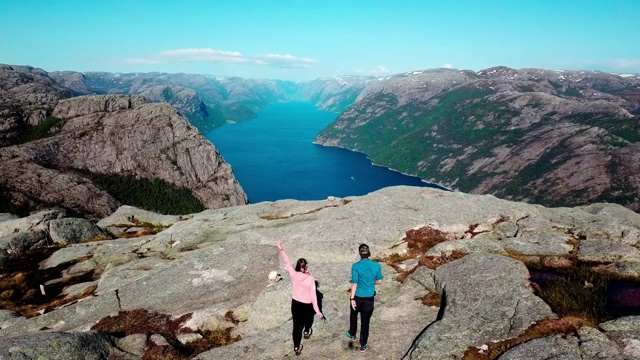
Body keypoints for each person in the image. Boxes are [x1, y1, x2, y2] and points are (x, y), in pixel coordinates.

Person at [277, 241, 323, 356]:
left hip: (296, 303)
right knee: (308, 319)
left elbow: (287, 262)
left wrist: (281, 249)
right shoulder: (311, 279)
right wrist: (317, 311)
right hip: (307, 304)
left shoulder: (293, 274)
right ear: (306, 266)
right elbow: (313, 297)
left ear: (297, 266)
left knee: (296, 326)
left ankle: (297, 347)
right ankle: (307, 331)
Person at [346, 243, 383, 352]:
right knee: (365, 321)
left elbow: (354, 283)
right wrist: (371, 283)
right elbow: (380, 281)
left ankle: (352, 334)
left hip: (357, 296)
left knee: (353, 315)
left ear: (360, 253)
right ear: (368, 253)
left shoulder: (355, 266)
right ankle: (363, 344)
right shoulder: (376, 265)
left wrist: (352, 298)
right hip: (368, 299)